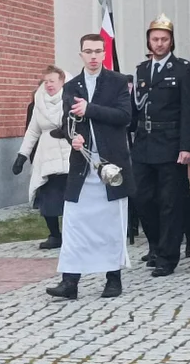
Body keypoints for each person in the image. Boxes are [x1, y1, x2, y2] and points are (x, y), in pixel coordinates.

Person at [47, 34, 135, 300]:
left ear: (105, 54)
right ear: (81, 55)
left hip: (111, 167)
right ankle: (70, 281)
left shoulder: (118, 82)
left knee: (110, 224)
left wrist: (90, 109)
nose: (93, 56)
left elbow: (124, 117)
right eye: (88, 51)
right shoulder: (72, 85)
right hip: (83, 166)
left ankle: (113, 278)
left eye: (98, 51)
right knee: (75, 223)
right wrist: (73, 137)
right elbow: (67, 121)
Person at [132, 14, 190, 277]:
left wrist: (187, 146)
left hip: (171, 143)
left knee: (169, 202)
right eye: (155, 39)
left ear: (171, 42)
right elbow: (136, 108)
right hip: (144, 143)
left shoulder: (183, 69)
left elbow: (189, 112)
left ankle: (167, 256)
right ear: (148, 41)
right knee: (141, 197)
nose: (159, 44)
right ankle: (157, 245)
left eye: (164, 39)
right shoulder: (141, 70)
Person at [13, 66, 71, 250]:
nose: (49, 85)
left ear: (62, 81)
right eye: (46, 81)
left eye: (52, 81)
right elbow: (33, 130)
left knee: (70, 198)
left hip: (69, 154)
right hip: (46, 154)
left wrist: (68, 132)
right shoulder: (39, 101)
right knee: (47, 196)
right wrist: (21, 155)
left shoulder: (71, 98)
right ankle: (54, 235)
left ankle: (73, 235)